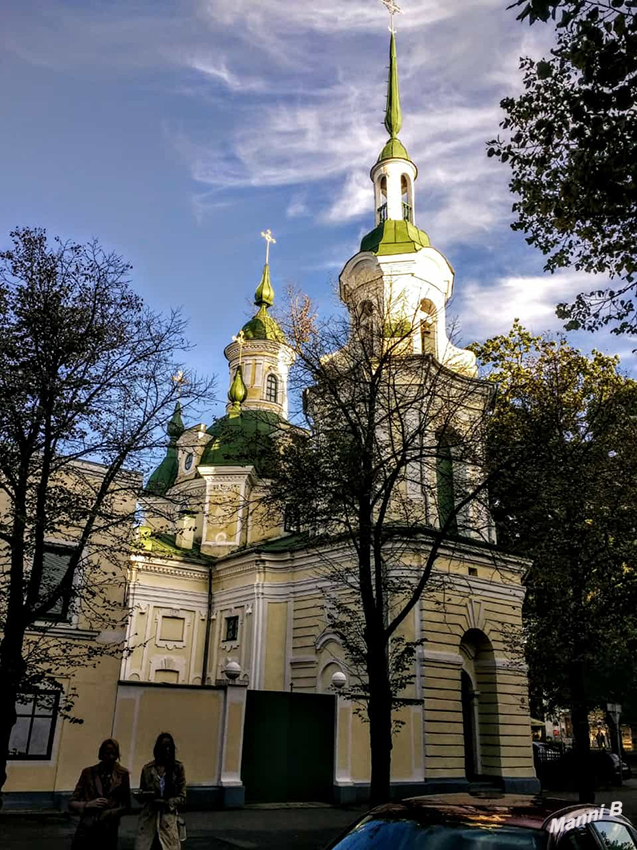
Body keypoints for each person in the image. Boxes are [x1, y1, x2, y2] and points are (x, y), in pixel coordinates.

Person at [69, 737, 131, 850]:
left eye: (113, 753)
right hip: (87, 828)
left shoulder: (122, 775)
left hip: (109, 829)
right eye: (106, 753)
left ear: (117, 755)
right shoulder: (88, 773)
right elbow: (72, 802)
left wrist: (109, 813)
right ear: (101, 754)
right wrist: (88, 804)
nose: (109, 757)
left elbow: (127, 806)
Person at [135, 732, 186, 850]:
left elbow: (182, 797)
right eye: (164, 747)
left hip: (167, 818)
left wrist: (168, 802)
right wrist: (144, 796)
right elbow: (143, 791)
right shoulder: (147, 769)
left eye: (169, 747)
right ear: (158, 749)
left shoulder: (177, 769)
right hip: (149, 817)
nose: (167, 750)